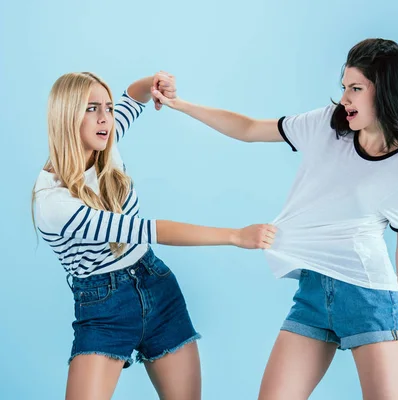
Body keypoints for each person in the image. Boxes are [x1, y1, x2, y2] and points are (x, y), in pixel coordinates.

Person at [152, 38, 398, 399]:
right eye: (344, 87)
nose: (346, 98)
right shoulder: (325, 125)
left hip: (371, 300)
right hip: (314, 294)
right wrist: (179, 104)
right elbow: (248, 129)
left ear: (385, 93)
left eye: (356, 89)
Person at [31, 71, 276, 400]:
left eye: (108, 107)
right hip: (103, 307)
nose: (105, 118)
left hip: (157, 286)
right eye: (91, 109)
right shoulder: (54, 202)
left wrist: (153, 84)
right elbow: (148, 229)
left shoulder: (105, 141)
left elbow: (133, 97)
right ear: (66, 116)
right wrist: (234, 236)